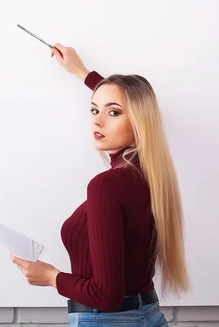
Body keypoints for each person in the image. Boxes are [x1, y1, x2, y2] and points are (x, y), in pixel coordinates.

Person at [10, 43, 191, 326]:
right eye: (94, 110)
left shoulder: (106, 186)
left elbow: (106, 295)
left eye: (113, 113)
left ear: (139, 120)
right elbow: (128, 102)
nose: (98, 120)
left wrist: (50, 277)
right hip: (149, 315)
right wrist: (81, 72)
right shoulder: (150, 172)